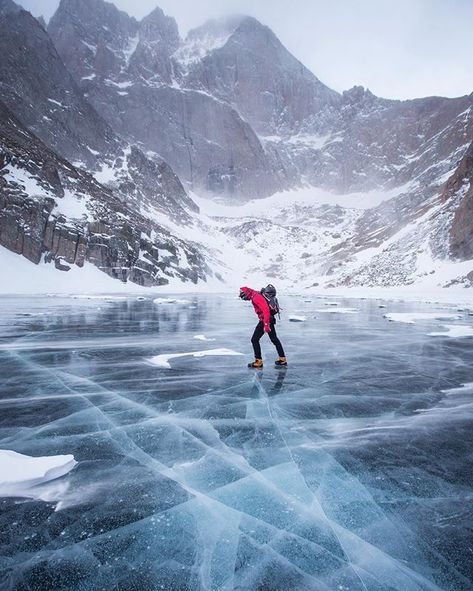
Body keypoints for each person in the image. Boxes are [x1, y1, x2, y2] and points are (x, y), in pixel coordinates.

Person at [239, 284, 287, 368]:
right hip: (269, 319)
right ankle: (282, 359)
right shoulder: (255, 294)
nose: (244, 298)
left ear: (246, 293)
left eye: (243, 296)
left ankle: (258, 361)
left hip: (266, 319)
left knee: (254, 339)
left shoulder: (256, 297)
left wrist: (266, 324)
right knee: (274, 339)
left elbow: (266, 310)